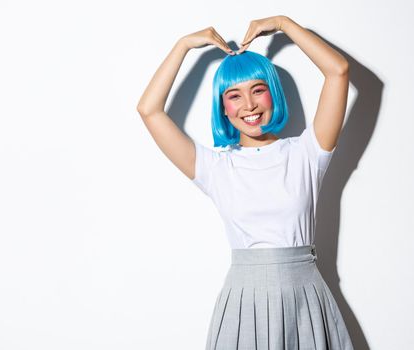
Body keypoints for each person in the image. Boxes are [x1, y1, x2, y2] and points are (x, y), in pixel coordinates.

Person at [137, 15, 352, 350]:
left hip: (305, 299)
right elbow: (149, 110)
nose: (249, 105)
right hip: (244, 304)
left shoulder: (307, 153)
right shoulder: (215, 167)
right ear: (223, 108)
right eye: (234, 96)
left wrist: (284, 24)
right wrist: (183, 45)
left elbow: (338, 71)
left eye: (257, 90)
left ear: (272, 94)